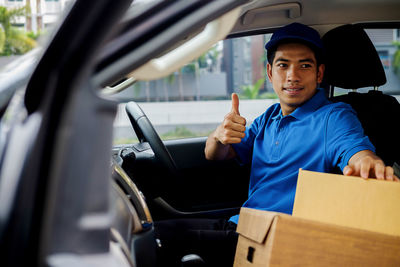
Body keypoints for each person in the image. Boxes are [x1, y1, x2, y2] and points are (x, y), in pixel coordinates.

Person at [154, 22, 398, 267]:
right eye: (284, 65)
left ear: (319, 74)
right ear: (270, 73)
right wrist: (219, 136)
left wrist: (368, 163)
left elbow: (354, 148)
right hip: (244, 224)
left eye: (305, 65)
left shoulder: (334, 116)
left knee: (153, 242)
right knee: (150, 229)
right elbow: (215, 155)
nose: (293, 76)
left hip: (279, 242)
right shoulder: (268, 118)